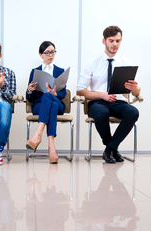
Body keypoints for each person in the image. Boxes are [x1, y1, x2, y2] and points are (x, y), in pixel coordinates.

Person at [77, 26, 140, 163]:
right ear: (103, 41)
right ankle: (113, 149)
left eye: (117, 41)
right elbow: (80, 90)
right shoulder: (93, 63)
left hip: (118, 101)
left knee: (133, 112)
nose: (114, 44)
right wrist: (101, 95)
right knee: (101, 113)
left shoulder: (126, 62)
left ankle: (109, 149)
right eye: (111, 41)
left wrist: (135, 88)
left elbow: (136, 91)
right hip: (98, 101)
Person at [25, 41, 67, 164]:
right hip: (39, 105)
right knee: (51, 104)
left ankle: (38, 135)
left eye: (53, 52)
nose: (51, 55)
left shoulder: (60, 71)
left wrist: (55, 94)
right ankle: (51, 146)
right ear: (40, 55)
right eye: (47, 52)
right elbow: (30, 97)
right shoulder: (35, 71)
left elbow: (63, 94)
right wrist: (29, 90)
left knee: (50, 97)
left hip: (58, 103)